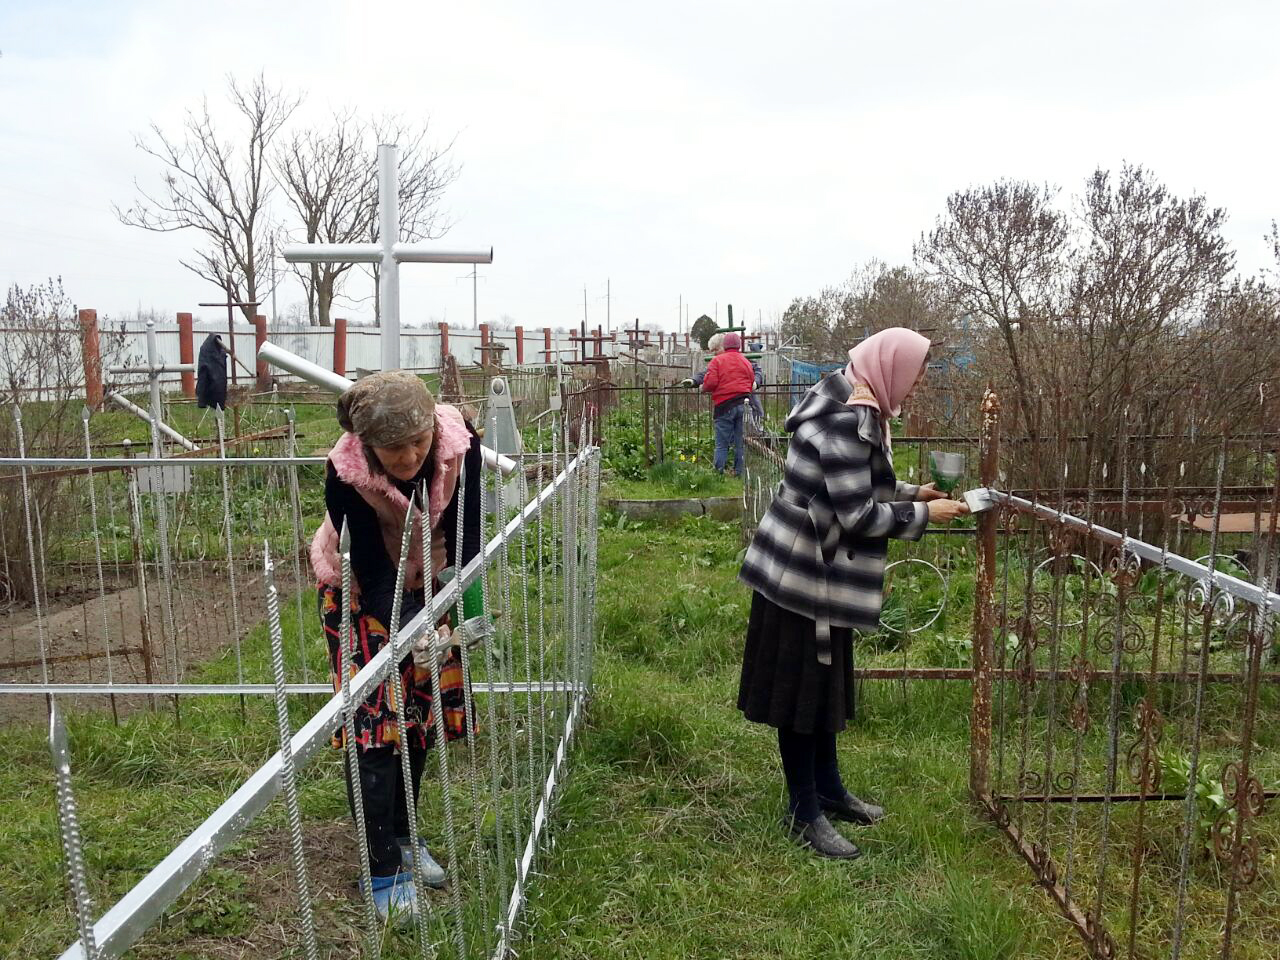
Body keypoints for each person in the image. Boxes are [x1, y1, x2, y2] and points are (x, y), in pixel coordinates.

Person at [737, 328, 968, 859]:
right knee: (802, 696)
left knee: (824, 688)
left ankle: (830, 791)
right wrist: (927, 515)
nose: (910, 390)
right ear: (888, 368)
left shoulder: (850, 395)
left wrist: (914, 493)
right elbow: (858, 514)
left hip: (819, 573)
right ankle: (804, 813)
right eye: (910, 378)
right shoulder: (843, 420)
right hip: (801, 579)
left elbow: (855, 484)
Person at [308, 370, 482, 920]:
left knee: (421, 715)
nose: (409, 457)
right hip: (363, 590)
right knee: (377, 724)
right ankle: (379, 865)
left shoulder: (461, 447)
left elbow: (469, 534)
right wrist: (407, 626)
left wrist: (449, 616)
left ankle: (405, 837)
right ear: (367, 446)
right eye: (394, 447)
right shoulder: (345, 474)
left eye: (418, 441)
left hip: (429, 578)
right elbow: (375, 571)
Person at [699, 332, 755, 475]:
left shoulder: (717, 361)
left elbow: (710, 382)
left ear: (724, 345)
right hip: (744, 404)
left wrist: (703, 388)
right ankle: (739, 471)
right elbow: (751, 380)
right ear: (739, 345)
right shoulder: (745, 361)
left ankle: (718, 473)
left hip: (724, 406)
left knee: (722, 443)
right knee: (740, 442)